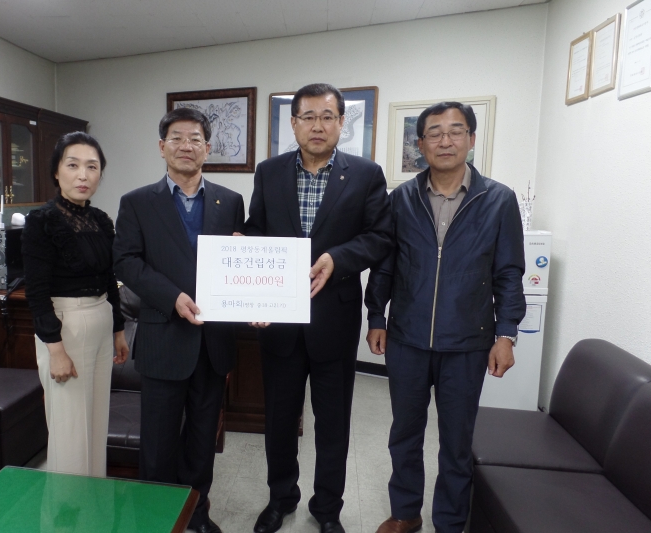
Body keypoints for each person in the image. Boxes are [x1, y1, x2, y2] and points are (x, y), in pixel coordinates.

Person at [365, 101, 526, 533]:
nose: (445, 141)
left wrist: (506, 334)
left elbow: (509, 272)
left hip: (468, 342)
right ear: (421, 144)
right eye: (434, 133)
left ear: (471, 139)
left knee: (456, 441)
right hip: (407, 339)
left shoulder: (498, 200)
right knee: (404, 434)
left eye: (456, 131)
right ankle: (405, 512)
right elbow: (385, 265)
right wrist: (376, 316)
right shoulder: (401, 199)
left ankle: (450, 522)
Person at [245, 83, 393, 533]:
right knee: (279, 421)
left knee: (333, 424)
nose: (317, 125)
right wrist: (241, 249)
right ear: (293, 124)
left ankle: (327, 508)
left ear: (341, 123)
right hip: (280, 320)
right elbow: (256, 230)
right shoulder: (269, 172)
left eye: (327, 116)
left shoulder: (366, 174)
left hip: (334, 318)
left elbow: (379, 237)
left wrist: (337, 258)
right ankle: (280, 498)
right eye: (307, 117)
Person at [112, 108, 245, 533]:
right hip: (163, 336)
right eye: (176, 138)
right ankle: (155, 519)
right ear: (161, 146)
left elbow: (237, 263)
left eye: (195, 139)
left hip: (213, 342)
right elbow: (126, 261)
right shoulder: (137, 202)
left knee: (202, 440)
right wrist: (172, 297)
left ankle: (196, 514)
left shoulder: (230, 202)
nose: (186, 146)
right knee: (158, 442)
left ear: (208, 148)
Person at [23, 131, 130, 477]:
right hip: (65, 328)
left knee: (96, 425)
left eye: (92, 167)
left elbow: (109, 278)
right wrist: (55, 350)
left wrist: (118, 329)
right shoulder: (41, 221)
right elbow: (36, 292)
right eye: (73, 165)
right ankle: (67, 507)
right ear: (56, 172)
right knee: (70, 430)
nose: (83, 175)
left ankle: (94, 503)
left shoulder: (100, 220)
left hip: (101, 319)